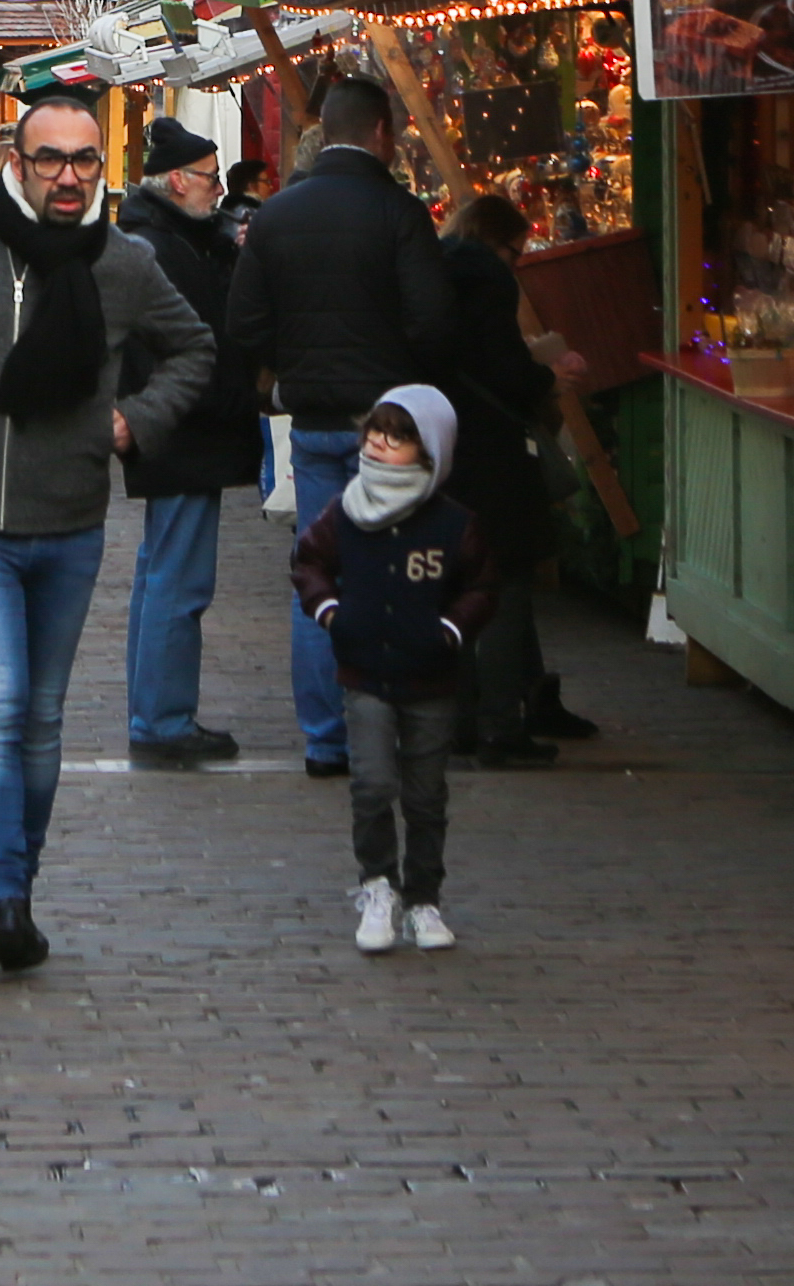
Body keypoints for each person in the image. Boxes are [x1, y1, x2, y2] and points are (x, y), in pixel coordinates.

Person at [0, 88, 211, 973]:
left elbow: (195, 349)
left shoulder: (124, 262)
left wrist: (137, 419)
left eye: (86, 160)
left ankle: (23, 874)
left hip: (71, 522)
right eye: (51, 158)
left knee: (45, 716)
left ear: (106, 167)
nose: (69, 176)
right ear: (15, 164)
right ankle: (4, 897)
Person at [233, 66, 456, 778]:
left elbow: (243, 323)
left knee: (318, 573)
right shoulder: (399, 214)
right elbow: (433, 322)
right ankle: (383, 728)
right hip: (386, 424)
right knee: (395, 573)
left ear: (324, 132)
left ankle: (325, 737)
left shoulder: (277, 214)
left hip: (313, 417)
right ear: (383, 133)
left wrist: (281, 377)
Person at [290, 382, 491, 949]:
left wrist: (450, 630)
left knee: (426, 794)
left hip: (430, 677)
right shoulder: (345, 512)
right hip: (365, 674)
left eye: (397, 438)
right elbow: (309, 562)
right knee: (373, 784)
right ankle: (378, 884)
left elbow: (480, 586)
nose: (379, 445)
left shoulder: (453, 524)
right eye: (375, 433)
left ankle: (424, 898)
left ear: (430, 451)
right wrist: (331, 614)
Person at [116, 113, 262, 769]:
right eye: (207, 179)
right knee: (177, 580)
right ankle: (162, 719)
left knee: (162, 575)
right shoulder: (157, 248)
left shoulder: (173, 239)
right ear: (177, 181)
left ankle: (157, 710)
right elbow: (173, 351)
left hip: (178, 431)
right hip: (182, 433)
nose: (216, 189)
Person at [428, 190, 565, 764]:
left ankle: (457, 721)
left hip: (446, 446)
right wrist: (545, 374)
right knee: (504, 583)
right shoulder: (487, 280)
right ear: (497, 242)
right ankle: (499, 726)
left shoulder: (434, 270)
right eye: (518, 252)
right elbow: (505, 368)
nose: (518, 262)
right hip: (492, 450)